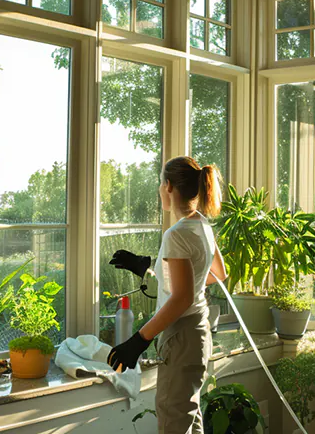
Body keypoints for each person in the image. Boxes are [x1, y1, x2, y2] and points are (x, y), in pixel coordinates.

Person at [107, 156, 228, 434]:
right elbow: (216, 273)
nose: (160, 189)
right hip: (197, 334)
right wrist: (150, 269)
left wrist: (139, 340)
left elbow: (181, 298)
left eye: (161, 184)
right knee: (189, 418)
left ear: (169, 186)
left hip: (181, 336)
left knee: (174, 421)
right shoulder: (202, 225)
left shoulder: (176, 234)